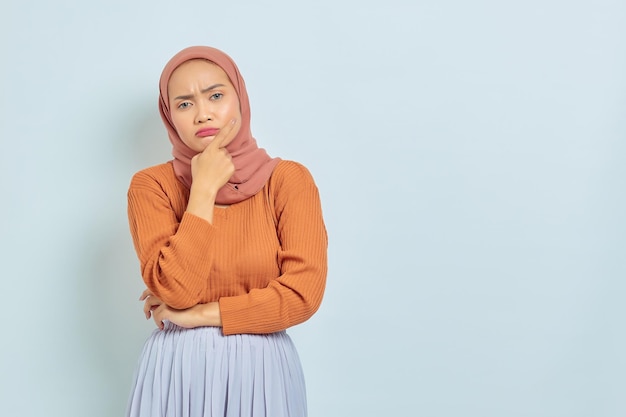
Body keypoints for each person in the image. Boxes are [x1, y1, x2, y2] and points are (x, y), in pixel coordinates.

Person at [124, 46, 328, 417]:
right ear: (169, 115)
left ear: (240, 97)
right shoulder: (151, 186)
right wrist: (202, 190)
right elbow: (175, 288)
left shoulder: (288, 181)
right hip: (176, 372)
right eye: (184, 104)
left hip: (263, 373)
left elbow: (302, 295)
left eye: (216, 95)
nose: (203, 113)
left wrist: (200, 314)